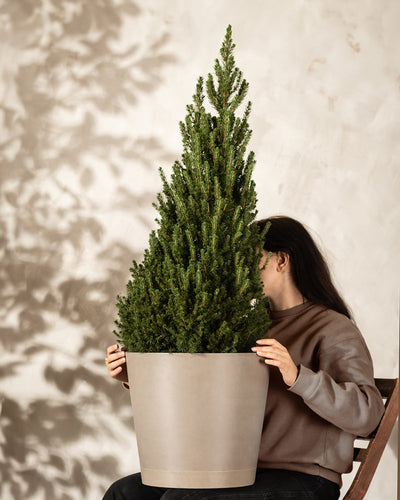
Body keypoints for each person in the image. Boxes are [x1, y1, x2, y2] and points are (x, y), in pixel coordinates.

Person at [103, 215, 384, 500]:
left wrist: (298, 376)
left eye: (249, 259)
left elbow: (368, 415)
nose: (241, 270)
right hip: (239, 472)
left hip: (305, 479)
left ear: (281, 261)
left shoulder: (333, 328)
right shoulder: (251, 325)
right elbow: (210, 395)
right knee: (124, 493)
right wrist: (135, 377)